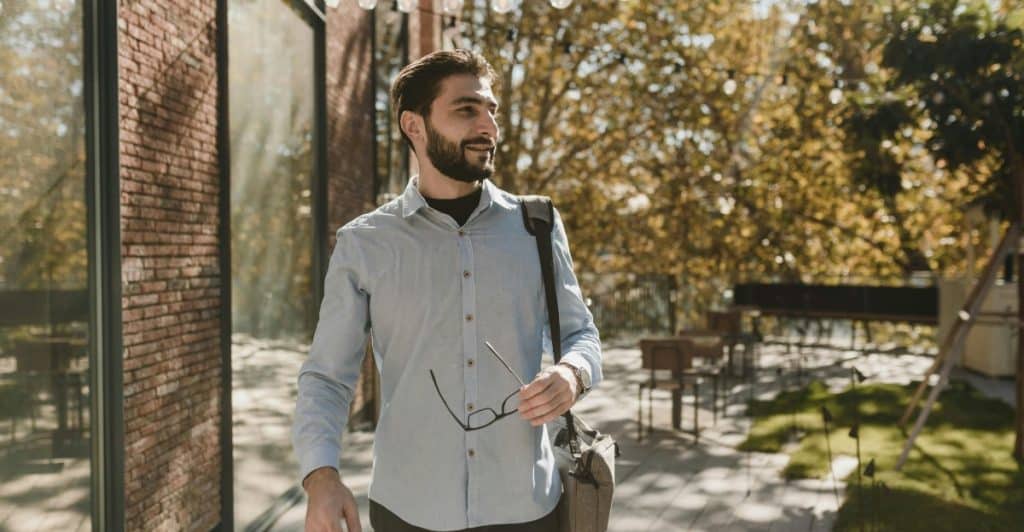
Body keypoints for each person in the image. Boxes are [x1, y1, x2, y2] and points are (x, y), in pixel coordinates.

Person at [292, 49, 602, 532]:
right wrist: (321, 476)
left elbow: (583, 334)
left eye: (491, 110)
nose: (488, 127)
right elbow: (328, 378)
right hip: (408, 510)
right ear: (414, 126)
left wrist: (572, 374)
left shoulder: (536, 226)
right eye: (466, 110)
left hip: (527, 508)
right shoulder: (365, 243)